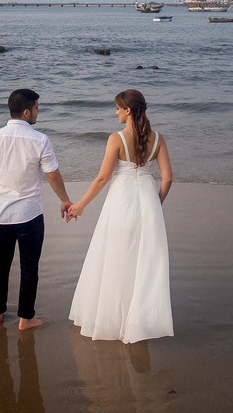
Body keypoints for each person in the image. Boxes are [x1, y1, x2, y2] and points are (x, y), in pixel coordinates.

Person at [67, 89, 174, 343]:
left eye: (117, 108)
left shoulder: (116, 138)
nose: (115, 112)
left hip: (122, 202)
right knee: (145, 265)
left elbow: (103, 177)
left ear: (128, 110)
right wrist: (155, 206)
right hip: (148, 202)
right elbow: (167, 179)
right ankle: (140, 323)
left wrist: (81, 204)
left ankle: (114, 322)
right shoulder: (158, 139)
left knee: (117, 259)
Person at [0, 88, 73, 330]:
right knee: (29, 266)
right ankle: (25, 318)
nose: (38, 111)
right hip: (30, 215)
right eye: (36, 108)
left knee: (0, 265)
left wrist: (2, 197)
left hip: (1, 214)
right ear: (26, 112)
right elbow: (52, 175)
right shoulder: (40, 140)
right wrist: (64, 199)